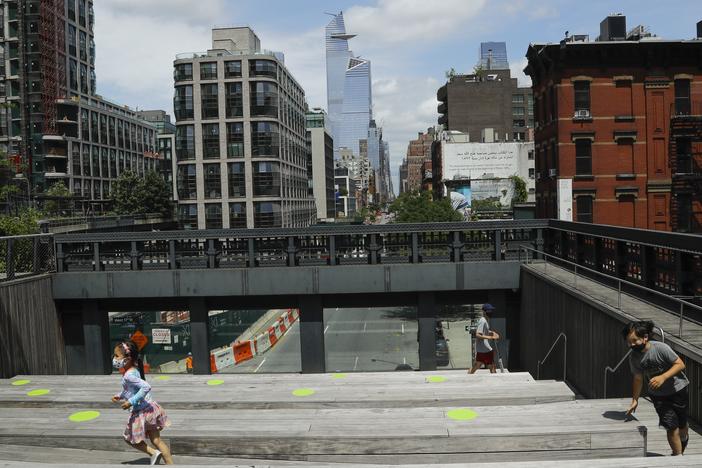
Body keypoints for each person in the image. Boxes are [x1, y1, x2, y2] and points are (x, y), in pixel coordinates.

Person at [623, 320, 689, 456]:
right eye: (629, 342)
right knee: (671, 427)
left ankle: (682, 443)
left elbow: (680, 364)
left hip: (678, 390)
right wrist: (635, 399)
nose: (632, 345)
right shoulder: (634, 357)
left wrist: (663, 377)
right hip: (658, 396)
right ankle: (678, 457)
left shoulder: (661, 348)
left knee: (682, 427)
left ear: (645, 337)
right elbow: (638, 378)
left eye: (635, 341)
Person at [112, 340, 174, 465]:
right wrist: (120, 395)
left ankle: (153, 453)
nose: (114, 359)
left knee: (129, 438)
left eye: (117, 356)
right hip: (150, 408)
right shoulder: (133, 370)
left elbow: (146, 387)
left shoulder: (128, 375)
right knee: (157, 440)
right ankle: (170, 464)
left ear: (127, 358)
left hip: (142, 412)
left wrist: (131, 402)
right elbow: (131, 389)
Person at [470, 304, 500, 374]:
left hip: (482, 349)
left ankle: (469, 376)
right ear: (484, 311)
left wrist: (492, 332)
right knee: (492, 366)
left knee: (477, 365)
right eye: (489, 310)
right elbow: (478, 334)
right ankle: (495, 381)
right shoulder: (483, 321)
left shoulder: (485, 320)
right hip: (486, 350)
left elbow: (484, 331)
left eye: (491, 310)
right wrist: (491, 337)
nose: (491, 312)